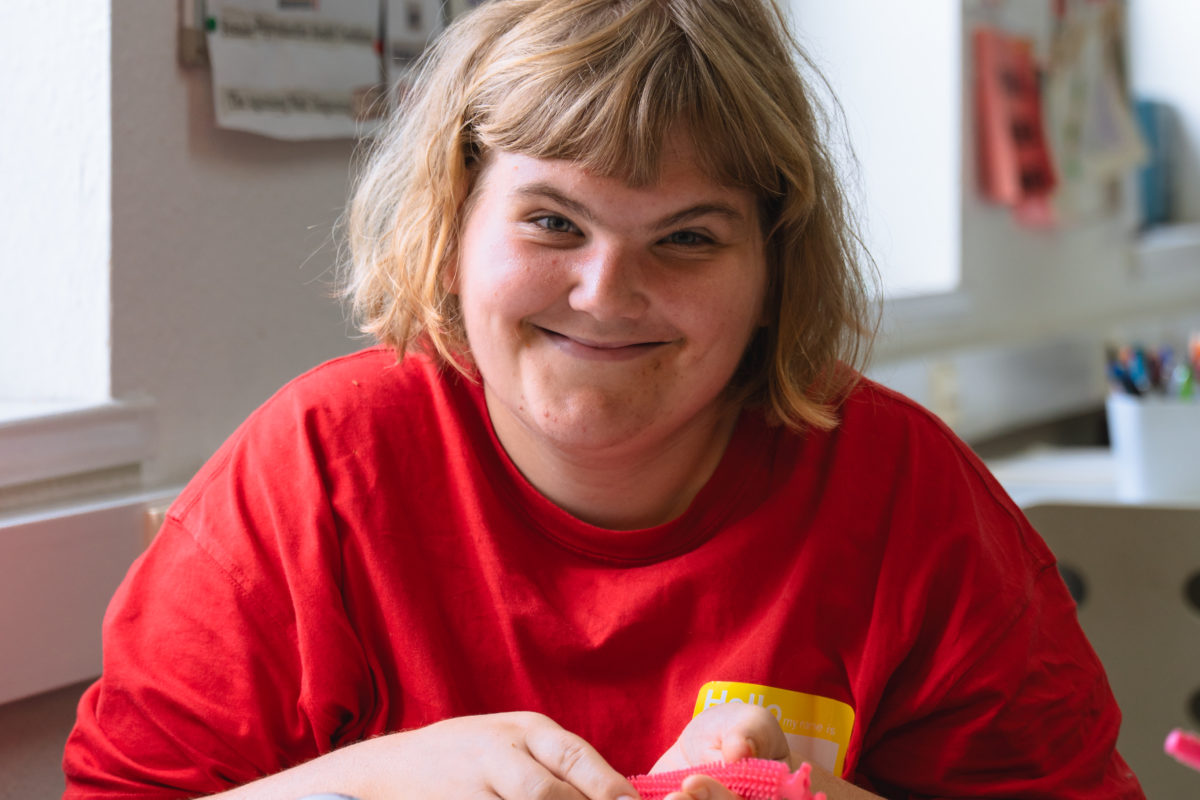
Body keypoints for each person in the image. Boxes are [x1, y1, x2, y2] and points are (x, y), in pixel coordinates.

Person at [63, 0, 1144, 798]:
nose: (606, 292)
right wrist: (374, 778)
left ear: (772, 269)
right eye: (552, 222)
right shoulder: (309, 476)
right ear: (451, 226)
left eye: (687, 237)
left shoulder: (906, 494)